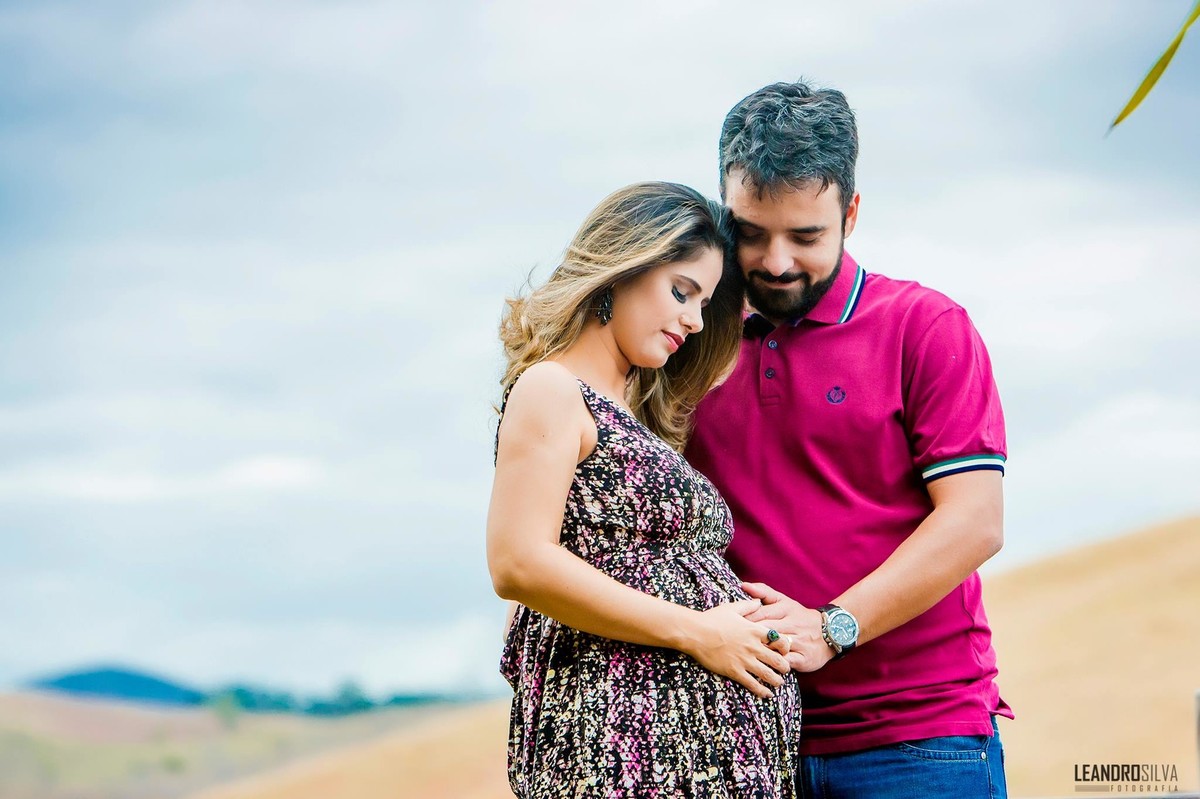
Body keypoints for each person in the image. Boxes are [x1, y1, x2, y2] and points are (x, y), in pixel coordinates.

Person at [684, 81, 1012, 799]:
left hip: (919, 740)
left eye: (806, 236)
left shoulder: (925, 327)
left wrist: (832, 627)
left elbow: (975, 520)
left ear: (851, 213)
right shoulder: (684, 344)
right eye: (751, 233)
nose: (776, 261)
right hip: (744, 743)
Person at [487, 181, 801, 798]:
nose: (694, 320)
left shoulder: (633, 417)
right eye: (682, 292)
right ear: (623, 267)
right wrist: (699, 630)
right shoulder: (552, 389)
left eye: (704, 302)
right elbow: (518, 562)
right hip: (621, 748)